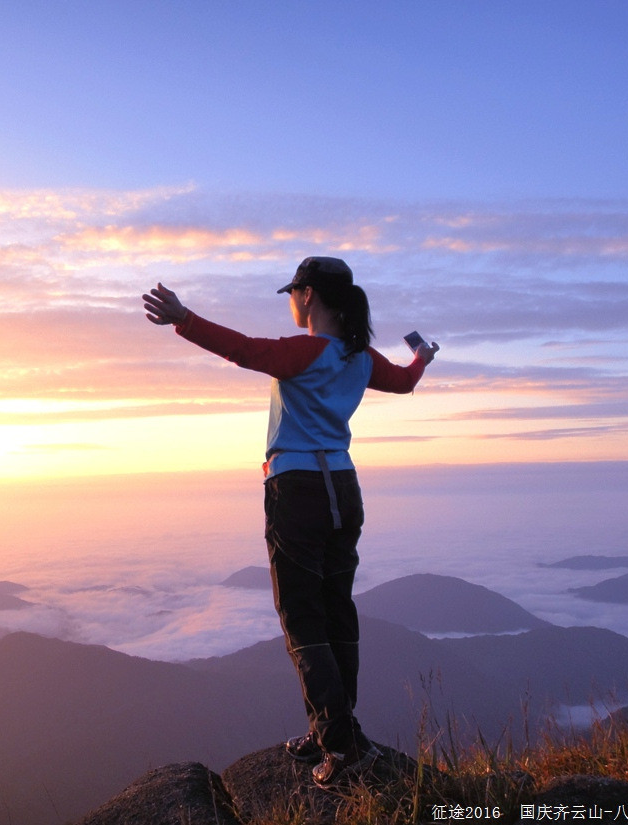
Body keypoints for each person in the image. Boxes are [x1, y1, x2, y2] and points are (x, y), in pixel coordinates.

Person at [142, 256, 438, 788]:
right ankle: (335, 729)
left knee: (302, 616)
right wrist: (422, 357)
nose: (291, 303)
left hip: (298, 490)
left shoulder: (307, 352)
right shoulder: (361, 358)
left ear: (308, 295)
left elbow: (244, 350)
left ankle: (340, 746)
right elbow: (403, 381)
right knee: (335, 609)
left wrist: (183, 318)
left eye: (292, 294)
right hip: (343, 488)